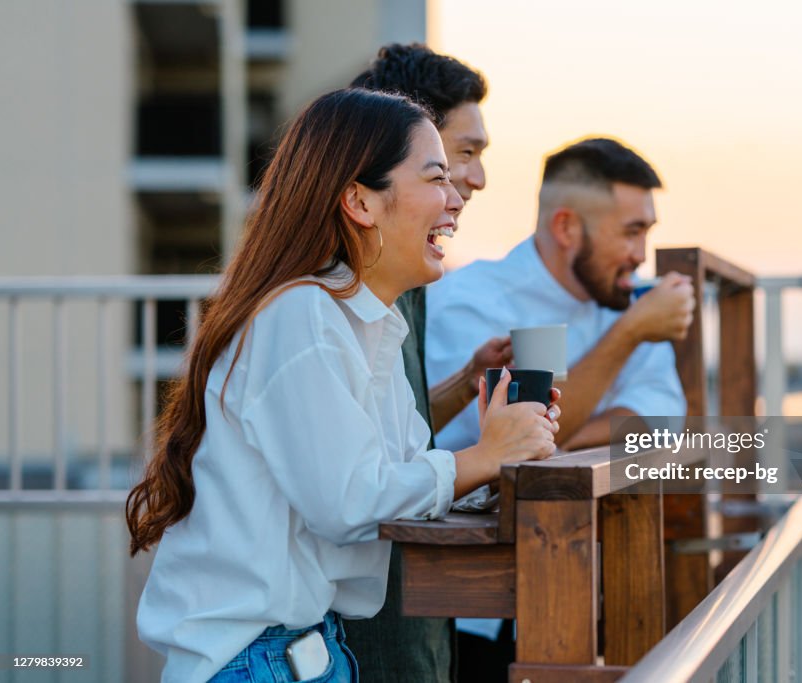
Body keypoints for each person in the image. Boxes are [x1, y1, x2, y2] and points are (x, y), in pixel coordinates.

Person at [125, 88, 559, 682]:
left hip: (305, 654)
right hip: (256, 663)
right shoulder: (300, 315)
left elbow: (398, 485)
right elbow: (350, 502)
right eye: (436, 178)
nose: (456, 198)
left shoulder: (369, 323)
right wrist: (482, 456)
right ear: (359, 200)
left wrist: (497, 451)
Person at [344, 43, 508, 683]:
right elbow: (355, 489)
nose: (474, 178)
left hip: (401, 595)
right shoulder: (330, 299)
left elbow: (390, 428)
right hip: (367, 616)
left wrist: (469, 386)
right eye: (461, 155)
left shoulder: (406, 276)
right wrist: (486, 456)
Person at [428, 137, 695, 455]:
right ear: (566, 228)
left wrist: (568, 441)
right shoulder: (468, 300)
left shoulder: (625, 294)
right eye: (631, 233)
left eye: (646, 232)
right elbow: (509, 439)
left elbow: (663, 415)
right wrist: (628, 334)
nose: (641, 255)